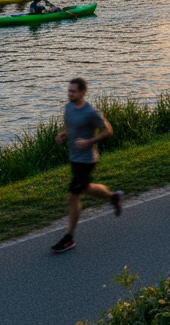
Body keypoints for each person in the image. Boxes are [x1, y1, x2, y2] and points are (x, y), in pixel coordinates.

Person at [51, 78, 123, 253]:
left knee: (73, 196)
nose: (69, 94)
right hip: (74, 158)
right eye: (68, 91)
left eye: (73, 92)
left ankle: (69, 238)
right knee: (87, 188)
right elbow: (73, 126)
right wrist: (64, 134)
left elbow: (108, 130)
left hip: (87, 160)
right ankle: (114, 197)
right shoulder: (68, 108)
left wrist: (90, 141)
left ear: (82, 92)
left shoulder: (91, 112)